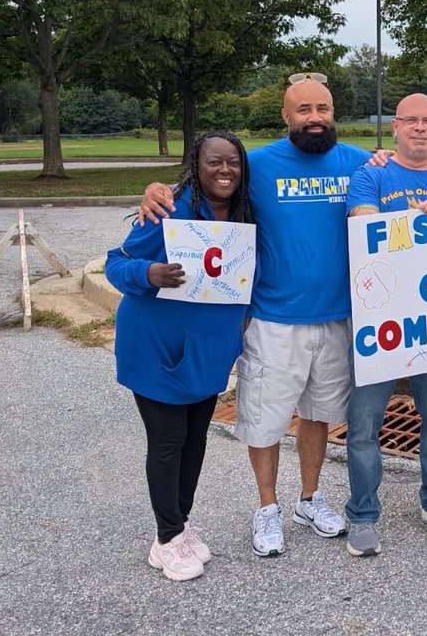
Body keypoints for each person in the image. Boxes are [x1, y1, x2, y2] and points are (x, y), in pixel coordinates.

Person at [139, 75, 369, 556]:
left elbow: (406, 177)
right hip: (273, 316)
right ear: (285, 116)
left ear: (334, 112)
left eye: (323, 108)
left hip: (337, 315)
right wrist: (155, 190)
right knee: (265, 420)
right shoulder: (256, 164)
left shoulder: (360, 162)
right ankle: (268, 509)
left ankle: (309, 498)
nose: (315, 117)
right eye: (303, 109)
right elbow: (203, 183)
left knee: (319, 415)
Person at [106, 131, 253, 581]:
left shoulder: (248, 213)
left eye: (232, 162)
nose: (224, 170)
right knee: (168, 444)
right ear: (197, 164)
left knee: (195, 442)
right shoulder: (171, 208)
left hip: (207, 354)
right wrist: (147, 272)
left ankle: (180, 524)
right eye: (214, 162)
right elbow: (116, 262)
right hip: (158, 351)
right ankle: (166, 539)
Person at [342, 93, 427, 557]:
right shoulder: (373, 174)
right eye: (410, 121)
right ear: (396, 127)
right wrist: (415, 219)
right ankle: (362, 512)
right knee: (364, 422)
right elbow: (362, 225)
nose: (420, 128)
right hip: (378, 318)